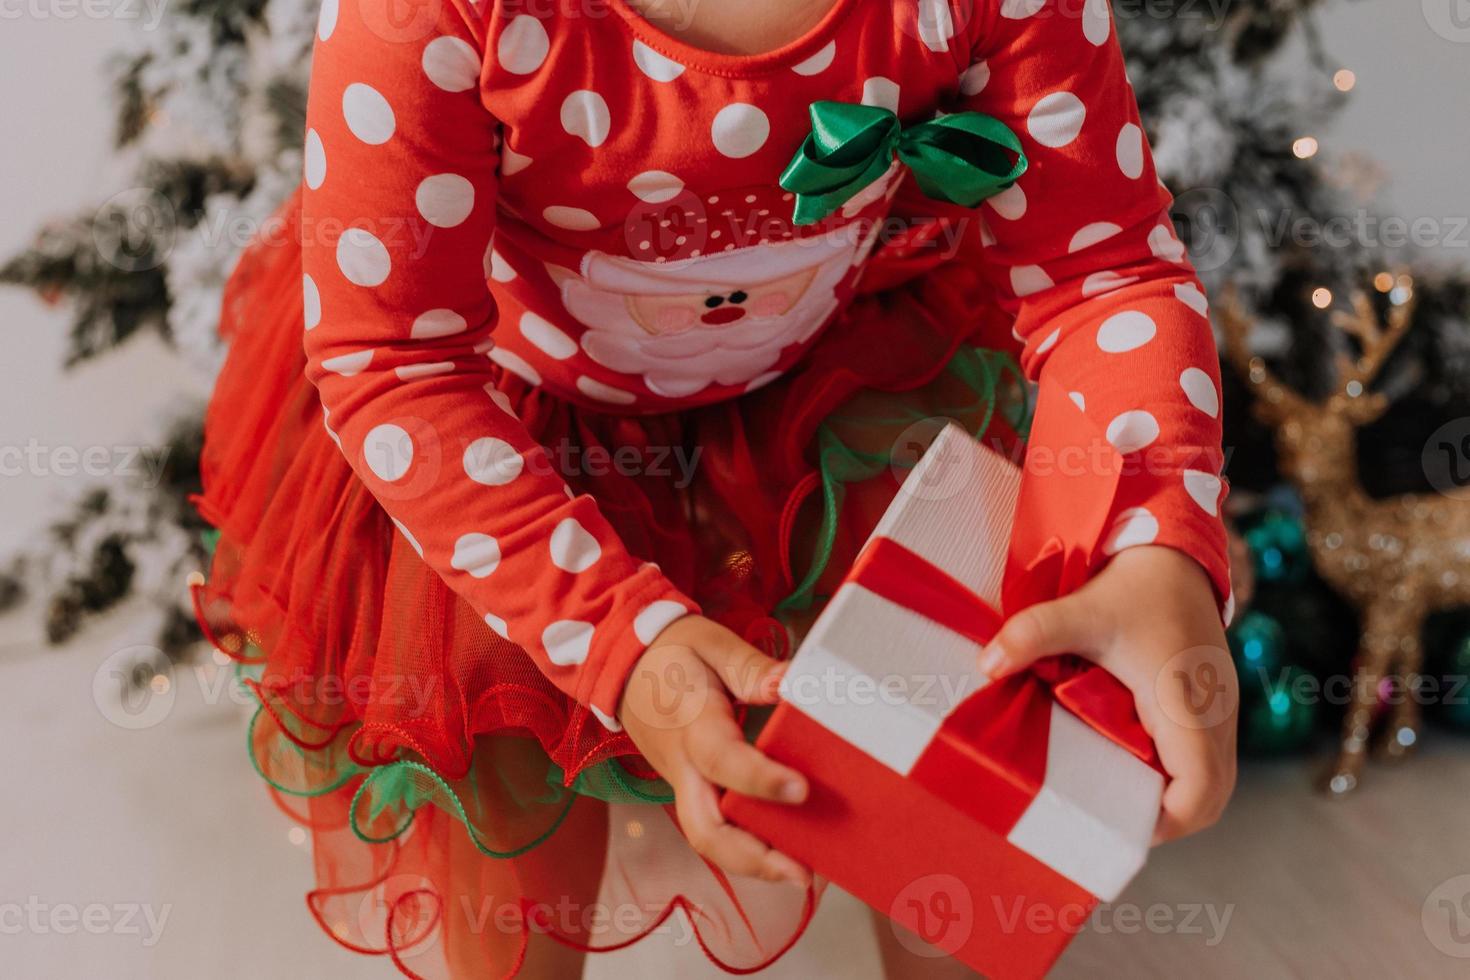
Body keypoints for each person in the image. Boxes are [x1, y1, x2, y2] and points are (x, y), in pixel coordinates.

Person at [193, 0, 1237, 975]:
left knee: (957, 745)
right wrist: (618, 635)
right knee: (507, 824)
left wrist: (1155, 539)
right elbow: (397, 365)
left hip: (824, 382)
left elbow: (1105, 273)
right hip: (494, 425)